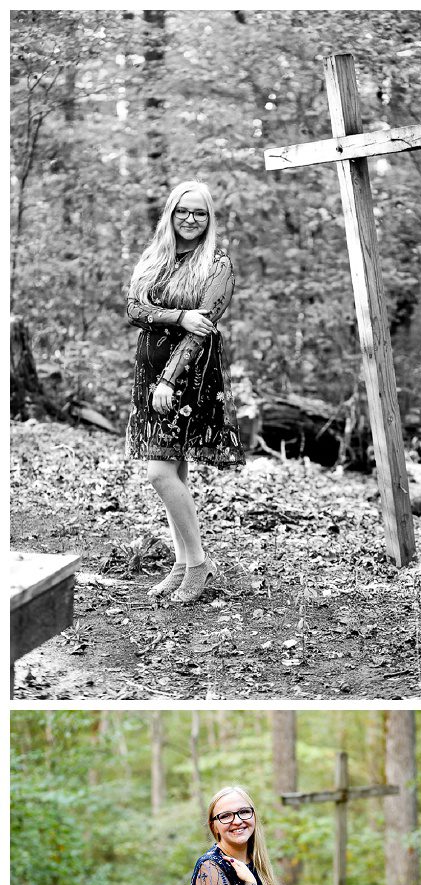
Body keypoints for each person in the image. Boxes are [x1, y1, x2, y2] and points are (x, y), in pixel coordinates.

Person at [127, 180, 240, 606]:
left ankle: (197, 564)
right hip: (148, 370)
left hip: (188, 375)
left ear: (209, 219)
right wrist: (178, 315)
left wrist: (170, 380)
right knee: (173, 473)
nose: (191, 219)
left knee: (159, 473)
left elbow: (202, 330)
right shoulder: (156, 257)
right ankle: (180, 562)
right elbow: (133, 308)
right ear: (171, 214)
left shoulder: (218, 264)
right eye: (183, 211)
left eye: (200, 213)